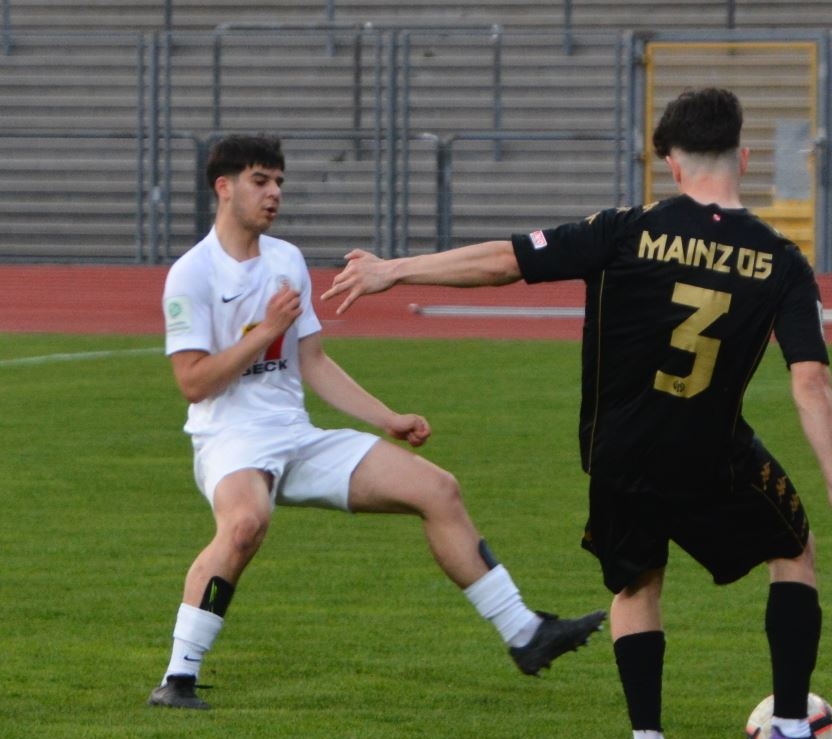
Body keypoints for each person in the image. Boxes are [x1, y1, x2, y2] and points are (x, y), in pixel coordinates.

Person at [322, 88, 832, 739]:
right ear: (742, 156)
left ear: (670, 163)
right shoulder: (780, 261)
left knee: (636, 586)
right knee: (792, 550)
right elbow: (810, 380)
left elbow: (506, 259)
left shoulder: (623, 230)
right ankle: (793, 732)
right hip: (710, 453)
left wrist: (393, 269)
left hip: (617, 455)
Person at [149, 134, 605, 710]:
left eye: (280, 182)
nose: (274, 194)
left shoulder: (286, 261)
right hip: (229, 439)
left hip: (296, 437)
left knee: (438, 489)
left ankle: (526, 634)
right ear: (224, 187)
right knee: (244, 525)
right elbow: (194, 383)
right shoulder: (191, 275)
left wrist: (386, 416)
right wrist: (265, 331)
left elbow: (312, 361)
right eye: (260, 181)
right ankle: (178, 679)